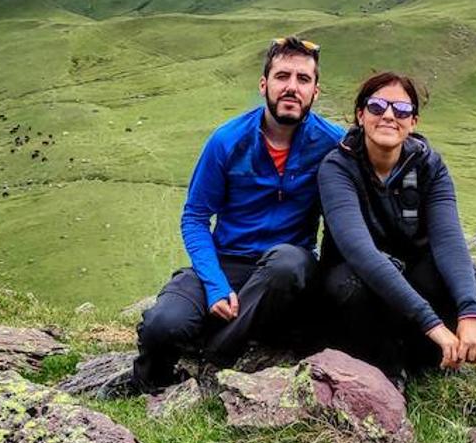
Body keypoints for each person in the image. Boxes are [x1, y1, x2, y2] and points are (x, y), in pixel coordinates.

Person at [131, 36, 345, 394]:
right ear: (264, 85)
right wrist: (215, 285)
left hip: (288, 271)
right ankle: (145, 383)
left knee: (287, 264)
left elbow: (376, 161)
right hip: (227, 260)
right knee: (162, 325)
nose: (291, 87)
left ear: (315, 92)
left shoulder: (333, 144)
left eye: (303, 80)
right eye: (282, 77)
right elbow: (196, 217)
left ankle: (211, 355)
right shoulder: (227, 141)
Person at [318, 72, 476, 385]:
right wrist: (431, 322)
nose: (389, 116)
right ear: (360, 115)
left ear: (414, 122)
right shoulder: (337, 167)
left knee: (467, 280)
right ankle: (382, 367)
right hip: (358, 286)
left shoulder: (430, 166)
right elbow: (359, 251)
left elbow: (449, 240)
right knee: (352, 285)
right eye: (377, 106)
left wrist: (471, 312)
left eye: (402, 110)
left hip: (411, 279)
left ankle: (423, 358)